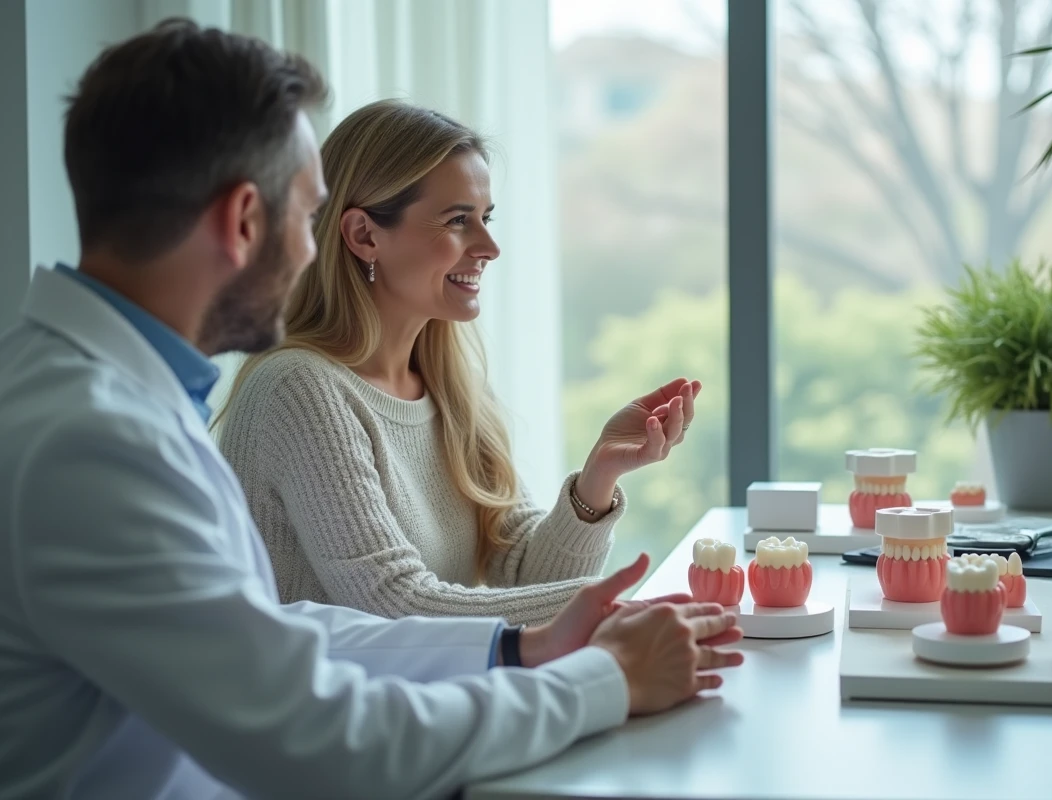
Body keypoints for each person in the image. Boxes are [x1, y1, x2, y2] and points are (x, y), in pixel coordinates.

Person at [0, 20, 743, 800]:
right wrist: (606, 679)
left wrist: (521, 646)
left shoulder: (104, 399)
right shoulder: (92, 444)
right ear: (243, 221)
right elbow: (318, 737)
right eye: (305, 216)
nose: (311, 249)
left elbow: (278, 631)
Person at [216, 99, 704, 625]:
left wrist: (600, 473)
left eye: (485, 218)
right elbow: (396, 606)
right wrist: (614, 604)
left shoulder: (449, 386)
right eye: (457, 220)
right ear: (364, 235)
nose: (489, 246)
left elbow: (525, 577)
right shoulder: (298, 390)